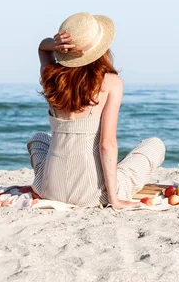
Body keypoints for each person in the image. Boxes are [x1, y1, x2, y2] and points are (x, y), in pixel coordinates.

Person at [27, 12, 165, 209]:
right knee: (154, 145)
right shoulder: (111, 83)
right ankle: (112, 186)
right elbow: (106, 145)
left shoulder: (51, 77)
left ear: (64, 50)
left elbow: (43, 48)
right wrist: (114, 199)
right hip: (92, 194)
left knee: (38, 138)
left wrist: (53, 44)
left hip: (50, 189)